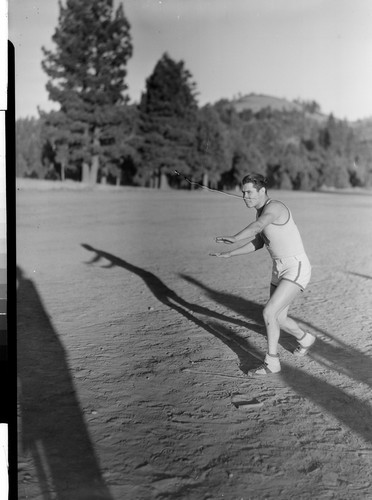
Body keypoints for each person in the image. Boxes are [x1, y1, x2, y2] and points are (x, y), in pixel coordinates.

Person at [210, 173, 315, 375]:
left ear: (262, 191)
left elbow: (258, 226)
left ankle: (272, 362)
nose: (245, 197)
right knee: (280, 317)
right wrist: (230, 253)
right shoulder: (259, 212)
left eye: (249, 192)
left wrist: (235, 237)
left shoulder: (274, 208)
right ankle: (305, 338)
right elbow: (259, 242)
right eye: (243, 193)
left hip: (296, 267)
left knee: (269, 312)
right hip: (279, 268)